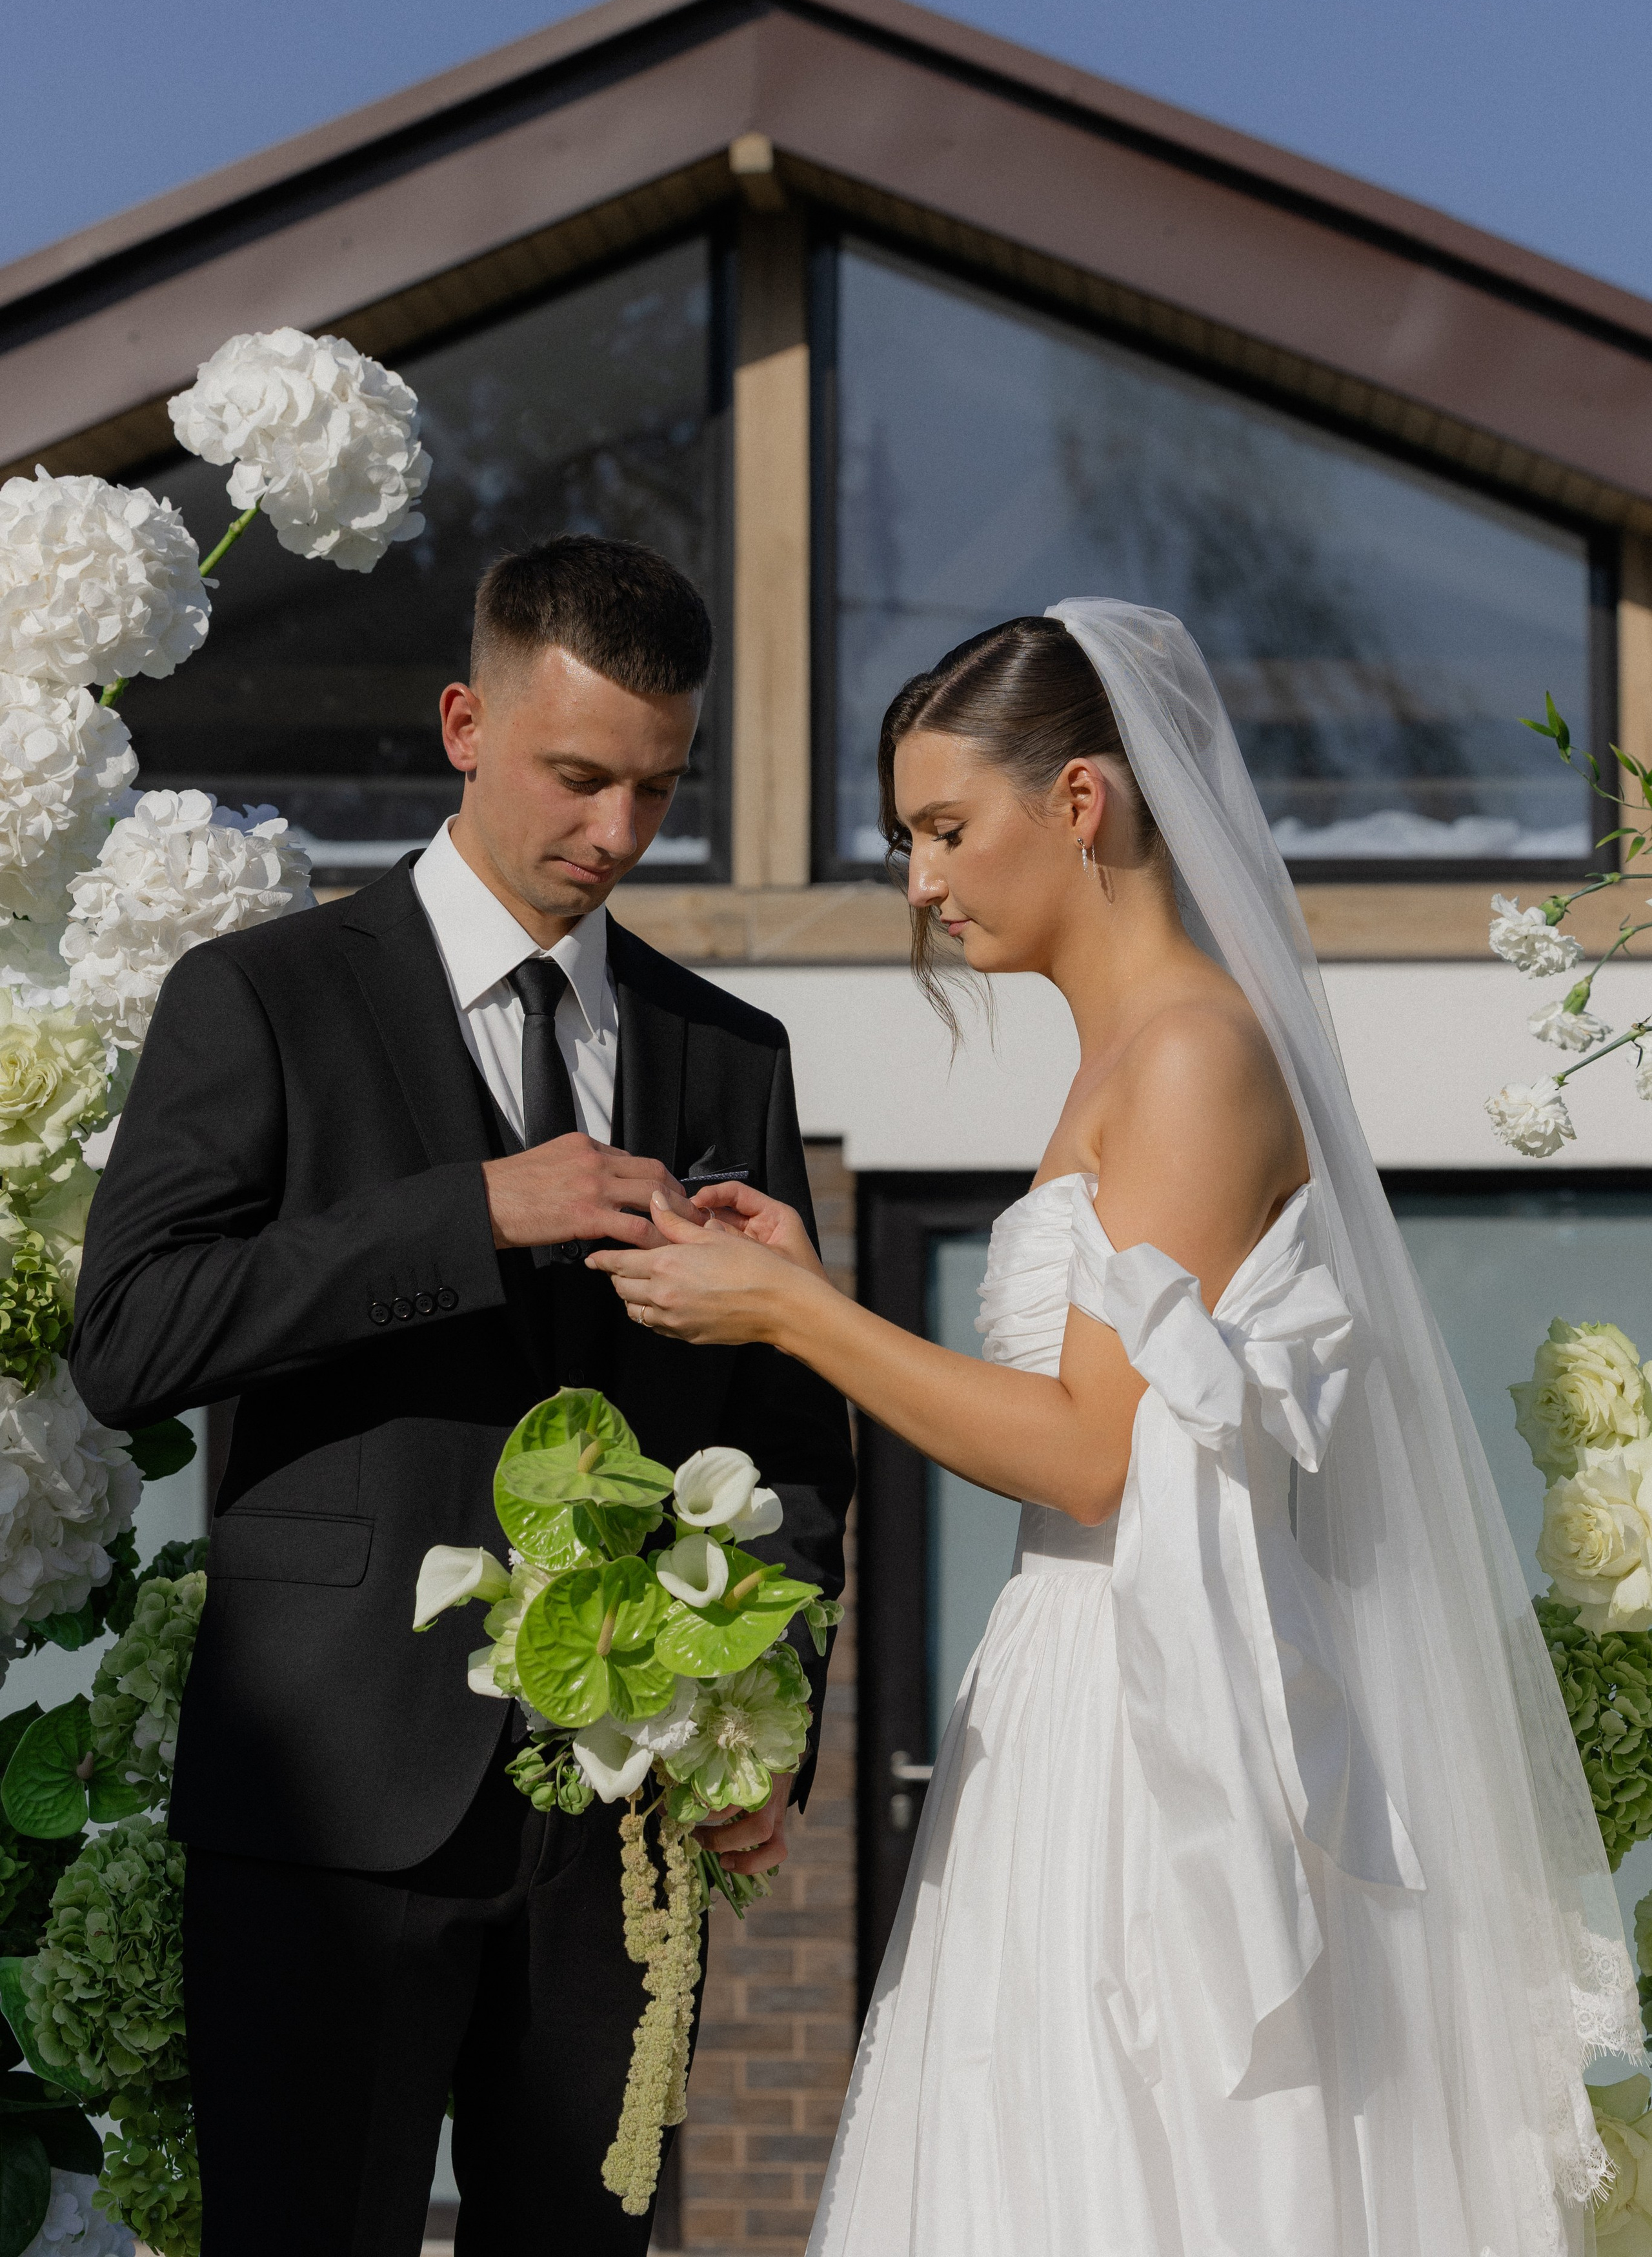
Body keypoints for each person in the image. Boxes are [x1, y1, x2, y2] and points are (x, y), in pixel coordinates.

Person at [591, 599, 1637, 2257]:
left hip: (1153, 1710)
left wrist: (796, 1316)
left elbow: (1096, 1452)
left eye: (945, 829)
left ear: (1078, 803)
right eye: (903, 840)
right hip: (1068, 1679)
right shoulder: (1120, 1061)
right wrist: (805, 1278)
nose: (919, 883)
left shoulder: (1188, 1057)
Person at [66, 534, 854, 2257]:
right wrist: (473, 1214)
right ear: (463, 725)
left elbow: (792, 1443)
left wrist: (766, 1701)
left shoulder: (732, 1054)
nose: (619, 837)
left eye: (657, 788)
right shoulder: (260, 1000)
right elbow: (127, 1334)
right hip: (334, 1806)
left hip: (628, 1820)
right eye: (580, 778)